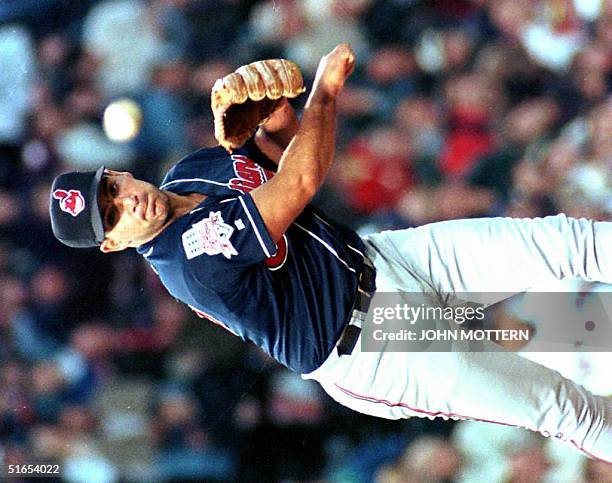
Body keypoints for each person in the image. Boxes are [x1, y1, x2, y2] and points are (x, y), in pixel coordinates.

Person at [49, 44, 612, 462]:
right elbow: (299, 183)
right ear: (113, 242)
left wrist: (274, 121)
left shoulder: (188, 170)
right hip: (374, 341)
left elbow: (284, 154)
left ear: (119, 172)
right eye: (112, 213)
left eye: (112, 189)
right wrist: (323, 94)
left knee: (566, 243)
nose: (126, 202)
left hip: (383, 258)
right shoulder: (184, 260)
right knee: (563, 406)